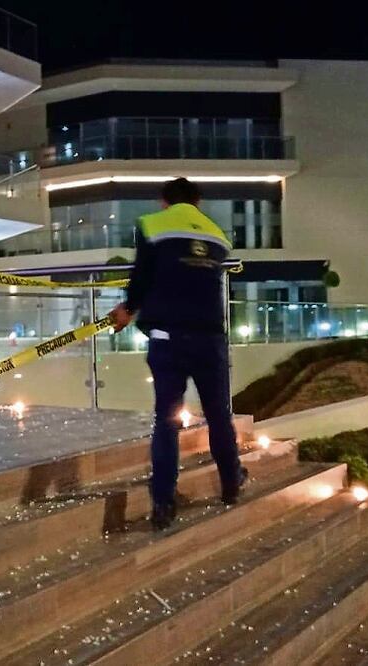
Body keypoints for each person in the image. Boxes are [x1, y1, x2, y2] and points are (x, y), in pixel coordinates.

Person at [109, 178, 246, 531]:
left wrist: (128, 309)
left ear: (163, 201)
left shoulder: (153, 225)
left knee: (166, 421)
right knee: (218, 415)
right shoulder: (217, 234)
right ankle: (231, 484)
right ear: (197, 202)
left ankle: (163, 504)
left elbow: (142, 275)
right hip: (209, 338)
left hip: (167, 336)